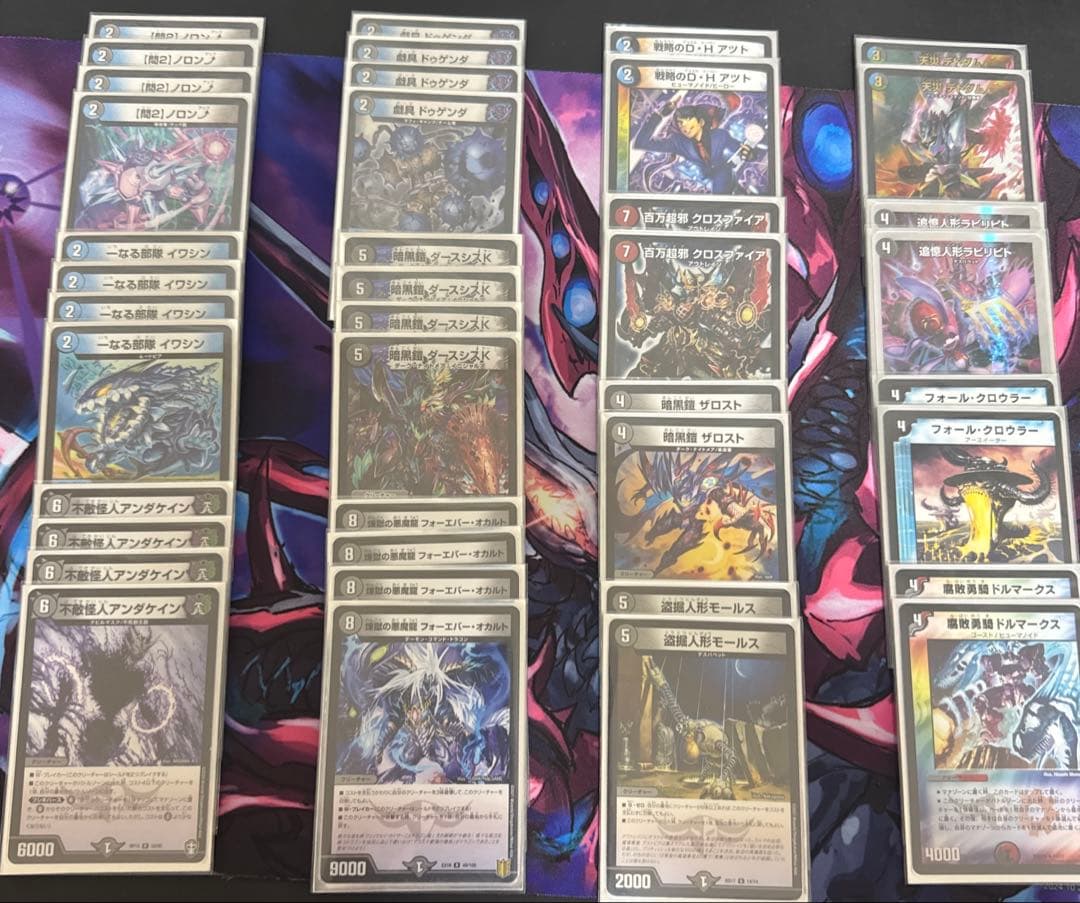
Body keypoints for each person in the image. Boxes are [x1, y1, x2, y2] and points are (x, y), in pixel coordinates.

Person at [632, 100, 753, 194]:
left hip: (725, 176)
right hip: (707, 182)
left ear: (700, 122)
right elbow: (641, 143)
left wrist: (749, 154)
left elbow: (741, 150)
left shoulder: (720, 136)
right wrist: (659, 115)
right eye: (680, 122)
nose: (683, 125)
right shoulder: (678, 142)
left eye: (688, 119)